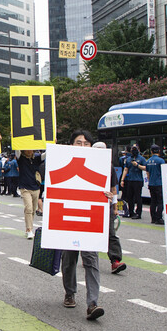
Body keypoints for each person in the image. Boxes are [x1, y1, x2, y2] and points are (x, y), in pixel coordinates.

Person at [60, 130, 108, 320]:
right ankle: (70, 292)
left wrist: (109, 197)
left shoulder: (101, 165)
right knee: (69, 260)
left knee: (91, 260)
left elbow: (109, 189)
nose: (82, 146)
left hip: (90, 219)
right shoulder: (61, 162)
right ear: (71, 145)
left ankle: (92, 302)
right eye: (78, 142)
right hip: (68, 217)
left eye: (86, 143)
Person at [93, 142, 126, 274]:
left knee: (111, 233)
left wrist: (115, 206)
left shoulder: (109, 167)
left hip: (105, 205)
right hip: (88, 205)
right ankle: (87, 255)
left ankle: (115, 261)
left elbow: (113, 188)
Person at [15, 149, 43, 239]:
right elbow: (17, 149)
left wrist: (52, 143)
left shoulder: (37, 158)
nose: (29, 150)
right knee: (29, 208)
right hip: (25, 188)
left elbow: (47, 154)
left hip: (36, 188)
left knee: (33, 209)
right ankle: (29, 229)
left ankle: (30, 227)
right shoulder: (21, 158)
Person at [120, 146, 147, 219]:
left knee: (138, 198)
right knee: (129, 197)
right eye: (132, 150)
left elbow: (145, 168)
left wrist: (137, 165)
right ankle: (131, 212)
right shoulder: (129, 159)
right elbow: (126, 169)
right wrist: (122, 180)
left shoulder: (141, 158)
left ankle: (138, 213)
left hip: (138, 180)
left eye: (135, 149)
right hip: (130, 180)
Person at [146, 144, 165, 225]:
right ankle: (159, 218)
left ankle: (153, 218)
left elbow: (148, 174)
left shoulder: (148, 161)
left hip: (151, 184)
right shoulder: (161, 161)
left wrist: (150, 181)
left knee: (153, 201)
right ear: (159, 151)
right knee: (160, 202)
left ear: (151, 151)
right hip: (159, 184)